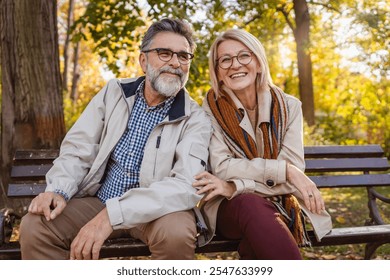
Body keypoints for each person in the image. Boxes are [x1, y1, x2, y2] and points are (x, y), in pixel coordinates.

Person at [19, 18, 212, 260]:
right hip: (101, 200)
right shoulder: (115, 92)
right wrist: (58, 189)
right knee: (36, 226)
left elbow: (186, 184)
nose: (175, 62)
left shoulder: (196, 118)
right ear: (143, 60)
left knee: (176, 235)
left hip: (158, 212)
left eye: (184, 56)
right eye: (164, 53)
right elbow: (79, 148)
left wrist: (114, 214)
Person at [193, 29, 332, 260]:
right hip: (228, 207)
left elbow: (292, 171)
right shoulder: (209, 111)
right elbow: (223, 168)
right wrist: (285, 171)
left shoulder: (290, 107)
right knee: (250, 204)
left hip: (280, 203)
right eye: (225, 60)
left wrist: (234, 186)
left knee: (256, 241)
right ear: (217, 73)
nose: (235, 64)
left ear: (258, 63)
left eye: (244, 56)